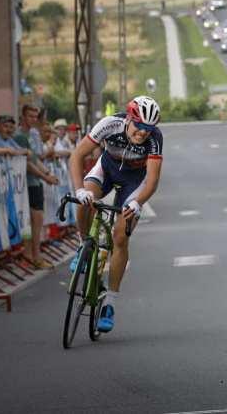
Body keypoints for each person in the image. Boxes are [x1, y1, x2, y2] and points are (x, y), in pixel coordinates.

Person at [68, 96, 163, 333]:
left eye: (148, 129)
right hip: (107, 169)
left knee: (120, 237)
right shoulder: (109, 124)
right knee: (85, 202)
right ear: (129, 119)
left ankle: (110, 303)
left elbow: (151, 181)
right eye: (139, 126)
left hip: (134, 182)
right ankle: (83, 246)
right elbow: (77, 156)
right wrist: (79, 189)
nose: (143, 133)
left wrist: (138, 203)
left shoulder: (155, 140)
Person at [13, 105, 60, 269]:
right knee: (34, 219)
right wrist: (45, 177)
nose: (33, 119)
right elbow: (26, 164)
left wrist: (47, 172)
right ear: (23, 116)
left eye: (35, 116)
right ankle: (33, 256)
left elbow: (34, 158)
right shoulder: (19, 136)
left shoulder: (32, 133)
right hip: (27, 183)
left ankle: (33, 256)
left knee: (36, 220)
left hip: (36, 181)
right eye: (30, 116)